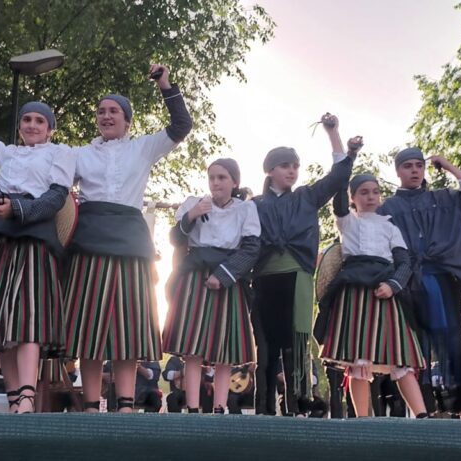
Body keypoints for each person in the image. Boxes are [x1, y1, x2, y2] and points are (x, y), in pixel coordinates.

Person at [0, 50, 77, 413]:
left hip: (36, 240)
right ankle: (11, 398)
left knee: (28, 317)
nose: (32, 125)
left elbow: (56, 199)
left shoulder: (61, 154)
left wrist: (16, 208)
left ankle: (27, 394)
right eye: (26, 120)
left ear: (50, 128)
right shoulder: (6, 154)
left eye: (40, 121)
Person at [64, 64, 192, 413]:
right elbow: (55, 187)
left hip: (133, 246)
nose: (106, 116)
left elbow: (182, 125)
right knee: (87, 330)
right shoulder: (79, 154)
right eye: (101, 111)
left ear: (127, 120)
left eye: (114, 111)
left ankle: (125, 405)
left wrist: (165, 84)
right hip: (89, 243)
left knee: (127, 331)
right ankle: (90, 404)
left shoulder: (143, 149)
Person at [251, 113, 354, 416]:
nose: (293, 171)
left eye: (295, 165)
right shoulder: (253, 204)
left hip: (297, 273)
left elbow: (338, 177)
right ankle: (264, 406)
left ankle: (298, 401)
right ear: (270, 170)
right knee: (266, 344)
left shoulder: (307, 196)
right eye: (286, 165)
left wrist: (333, 134)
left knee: (296, 339)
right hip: (263, 276)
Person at [377, 147, 461, 417]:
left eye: (419, 165)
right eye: (408, 166)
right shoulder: (388, 208)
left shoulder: (445, 199)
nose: (415, 170)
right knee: (412, 343)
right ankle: (421, 408)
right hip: (406, 281)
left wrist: (449, 166)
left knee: (453, 338)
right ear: (397, 171)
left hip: (443, 277)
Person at [316, 160, 429, 418]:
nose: (370, 196)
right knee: (359, 361)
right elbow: (338, 202)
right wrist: (350, 153)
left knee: (401, 358)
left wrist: (393, 285)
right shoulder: (346, 222)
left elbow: (405, 262)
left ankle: (423, 416)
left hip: (385, 293)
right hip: (354, 294)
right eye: (363, 192)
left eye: (375, 192)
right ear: (352, 197)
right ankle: (363, 420)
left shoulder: (390, 226)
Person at [163, 158, 260, 414]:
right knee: (192, 345)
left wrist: (224, 274)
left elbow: (251, 248)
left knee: (224, 346)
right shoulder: (194, 203)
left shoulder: (245, 209)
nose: (215, 182)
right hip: (195, 275)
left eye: (222, 177)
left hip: (228, 277)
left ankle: (220, 407)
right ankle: (193, 407)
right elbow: (175, 238)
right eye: (212, 177)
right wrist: (193, 214)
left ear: (234, 182)